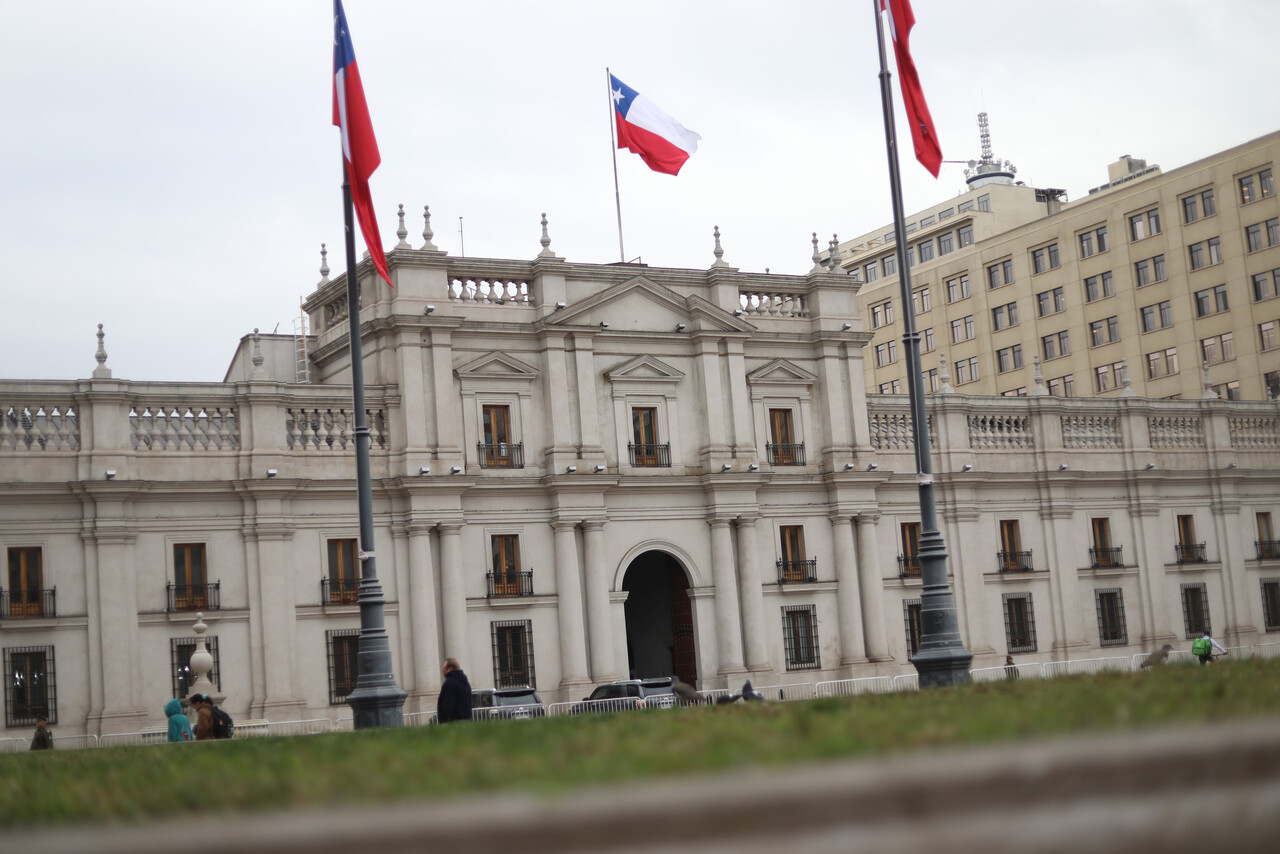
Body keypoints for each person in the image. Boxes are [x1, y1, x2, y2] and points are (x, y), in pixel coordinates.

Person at [437, 658, 472, 723]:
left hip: (454, 721)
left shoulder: (449, 683)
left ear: (450, 668)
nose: (442, 670)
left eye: (444, 667)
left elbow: (448, 704)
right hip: (467, 719)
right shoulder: (465, 682)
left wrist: (444, 720)